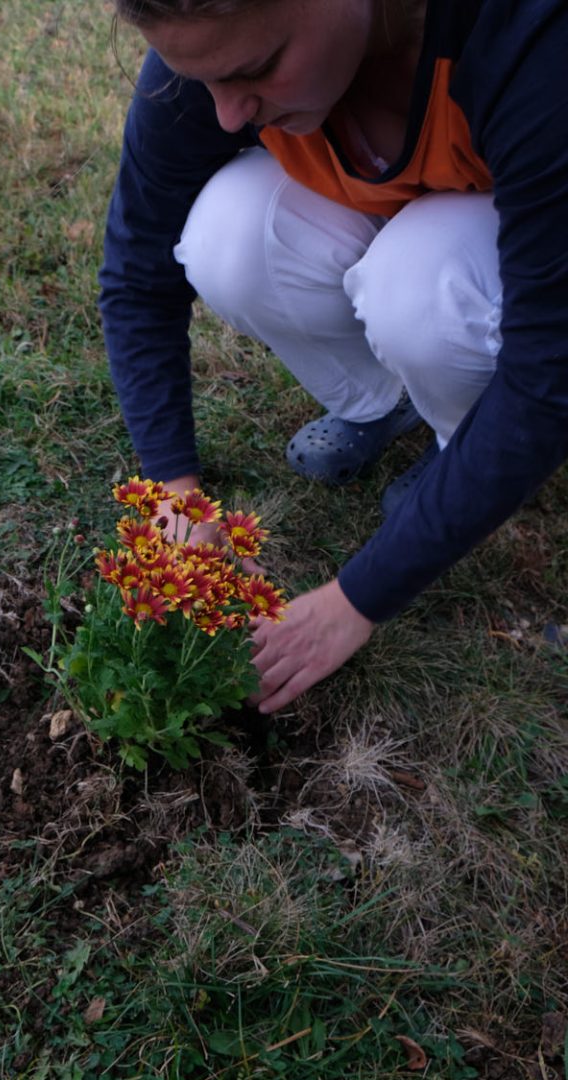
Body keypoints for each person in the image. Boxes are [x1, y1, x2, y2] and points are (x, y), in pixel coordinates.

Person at [99, 0, 568, 714]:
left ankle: (462, 444)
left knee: (422, 290)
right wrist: (174, 490)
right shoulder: (212, 56)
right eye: (205, 81)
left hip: (529, 242)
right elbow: (137, 272)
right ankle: (384, 405)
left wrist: (352, 602)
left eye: (256, 70)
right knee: (231, 236)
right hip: (424, 199)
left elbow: (546, 375)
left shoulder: (528, 41)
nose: (228, 115)